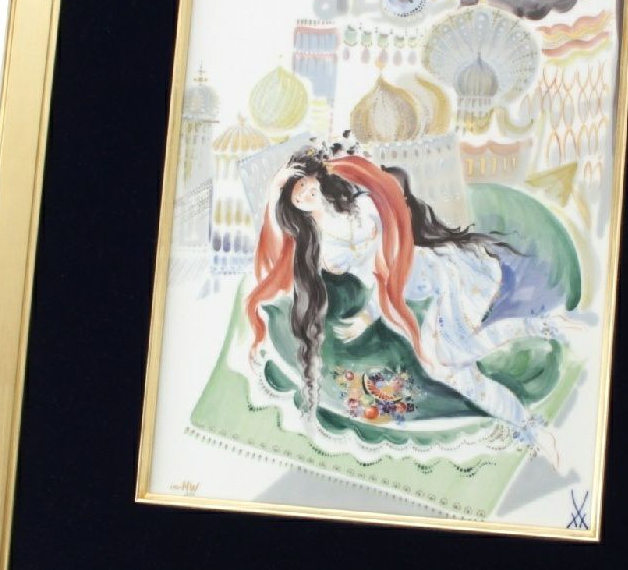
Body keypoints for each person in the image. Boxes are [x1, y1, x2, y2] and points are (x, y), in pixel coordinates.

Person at [245, 145, 581, 463]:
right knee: (450, 366)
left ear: (317, 178)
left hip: (427, 275)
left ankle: (531, 414)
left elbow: (390, 251)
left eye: (305, 184)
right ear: (293, 207)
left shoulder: (361, 206)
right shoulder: (316, 246)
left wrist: (372, 309)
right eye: (297, 195)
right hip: (397, 303)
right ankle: (536, 379)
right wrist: (275, 190)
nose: (306, 193)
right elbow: (275, 254)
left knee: (449, 361)